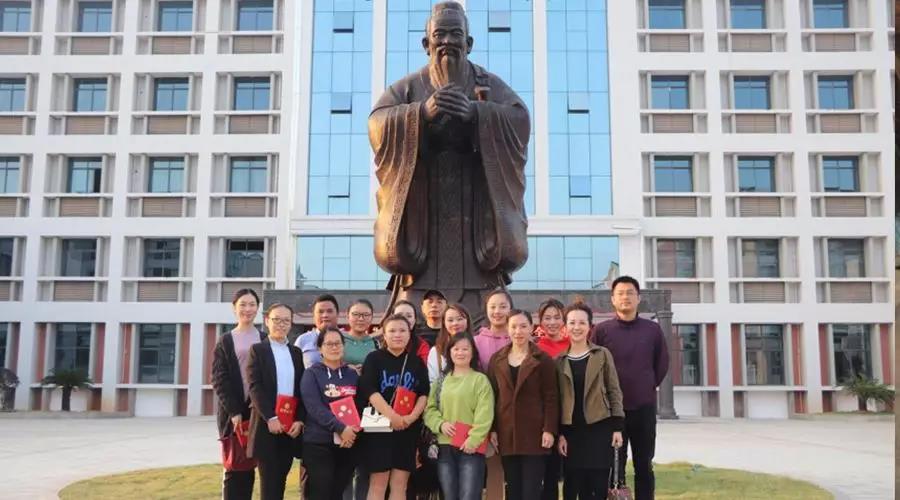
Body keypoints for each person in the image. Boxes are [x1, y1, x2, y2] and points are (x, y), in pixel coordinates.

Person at [369, 1, 530, 318]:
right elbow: (377, 123)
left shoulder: (489, 84)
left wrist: (478, 114)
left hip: (475, 210)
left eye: (456, 34)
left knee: (486, 312)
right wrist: (420, 114)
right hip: (424, 213)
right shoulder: (408, 87)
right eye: (439, 34)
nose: (447, 41)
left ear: (469, 43)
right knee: (409, 316)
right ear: (426, 43)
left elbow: (519, 120)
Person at [590, 276, 669, 500]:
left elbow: (662, 363)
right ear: (613, 299)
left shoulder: (652, 330)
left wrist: (646, 384)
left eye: (630, 293)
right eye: (620, 293)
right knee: (614, 465)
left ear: (638, 298)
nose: (625, 297)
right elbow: (594, 367)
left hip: (644, 408)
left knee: (644, 464)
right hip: (612, 412)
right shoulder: (602, 331)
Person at [357, 314, 431, 500]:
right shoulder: (374, 358)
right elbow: (370, 390)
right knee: (378, 483)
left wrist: (411, 418)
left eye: (402, 330)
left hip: (407, 429)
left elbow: (424, 393)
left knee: (400, 484)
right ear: (384, 335)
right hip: (379, 427)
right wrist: (392, 416)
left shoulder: (416, 362)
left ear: (409, 333)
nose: (397, 335)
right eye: (392, 331)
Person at [487, 309, 559, 500]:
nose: (518, 331)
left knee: (531, 491)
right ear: (507, 329)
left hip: (535, 434)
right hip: (507, 433)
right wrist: (493, 429)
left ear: (531, 328)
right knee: (513, 490)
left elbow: (551, 397)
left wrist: (549, 429)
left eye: (523, 326)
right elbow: (492, 397)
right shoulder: (497, 359)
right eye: (514, 327)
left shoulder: (542, 359)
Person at [557, 300, 624, 500]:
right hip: (571, 433)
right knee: (571, 488)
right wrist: (560, 433)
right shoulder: (559, 361)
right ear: (565, 326)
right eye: (572, 323)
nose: (576, 327)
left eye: (582, 322)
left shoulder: (601, 355)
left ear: (589, 326)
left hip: (599, 429)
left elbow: (614, 390)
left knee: (597, 488)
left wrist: (617, 427)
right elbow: (557, 400)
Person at [424, 333, 494, 500]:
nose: (460, 353)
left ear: (473, 352)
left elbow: (485, 413)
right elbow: (430, 410)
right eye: (456, 349)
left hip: (470, 447)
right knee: (450, 495)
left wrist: (473, 439)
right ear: (449, 352)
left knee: (469, 495)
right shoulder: (441, 381)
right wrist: (440, 424)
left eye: (465, 349)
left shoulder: (480, 380)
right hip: (445, 447)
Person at [247, 303, 306, 500]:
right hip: (267, 426)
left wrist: (299, 419)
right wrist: (270, 417)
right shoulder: (258, 350)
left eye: (286, 320)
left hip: (289, 427)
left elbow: (300, 389)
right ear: (267, 321)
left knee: (281, 480)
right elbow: (255, 387)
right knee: (269, 484)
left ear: (291, 323)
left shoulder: (296, 353)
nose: (281, 324)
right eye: (276, 320)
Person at [212, 288, 266, 500]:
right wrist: (234, 411)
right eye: (243, 304)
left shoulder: (264, 338)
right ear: (234, 308)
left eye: (252, 304)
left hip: (257, 411)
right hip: (234, 413)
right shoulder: (225, 340)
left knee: (252, 465)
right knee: (234, 466)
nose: (247, 309)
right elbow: (219, 379)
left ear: (258, 308)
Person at [302, 326, 361, 500]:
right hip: (319, 443)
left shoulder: (352, 375)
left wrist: (352, 431)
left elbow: (360, 405)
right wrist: (340, 428)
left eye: (338, 343)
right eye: (329, 344)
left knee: (337, 493)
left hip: (347, 443)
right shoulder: (311, 374)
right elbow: (314, 408)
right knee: (321, 493)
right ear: (320, 348)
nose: (334, 347)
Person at [473, 288, 512, 499]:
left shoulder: (520, 338)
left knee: (516, 470)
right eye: (493, 307)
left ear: (510, 309)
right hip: (487, 413)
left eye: (503, 306)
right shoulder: (476, 342)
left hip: (515, 414)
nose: (498, 311)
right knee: (494, 468)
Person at [531, 298, 567, 500]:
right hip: (545, 417)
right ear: (540, 321)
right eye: (547, 318)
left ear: (563, 320)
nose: (552, 322)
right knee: (548, 474)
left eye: (556, 317)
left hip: (571, 415)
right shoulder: (534, 349)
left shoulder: (573, 345)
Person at [427, 303, 472, 382]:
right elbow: (432, 381)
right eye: (450, 320)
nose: (455, 323)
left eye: (460, 319)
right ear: (444, 323)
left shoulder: (477, 345)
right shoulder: (436, 352)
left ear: (467, 321)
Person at [295, 294, 340, 368]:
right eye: (320, 312)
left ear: (337, 314)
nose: (325, 315)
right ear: (313, 315)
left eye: (329, 311)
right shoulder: (302, 340)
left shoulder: (347, 339)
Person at [388, 300, 431, 364]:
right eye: (399, 315)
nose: (404, 319)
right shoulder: (379, 344)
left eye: (409, 316)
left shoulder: (422, 346)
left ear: (415, 320)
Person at [344, 299, 377, 374]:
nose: (361, 319)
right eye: (355, 314)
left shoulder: (377, 343)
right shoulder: (339, 340)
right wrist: (345, 367)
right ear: (347, 316)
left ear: (372, 317)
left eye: (366, 315)